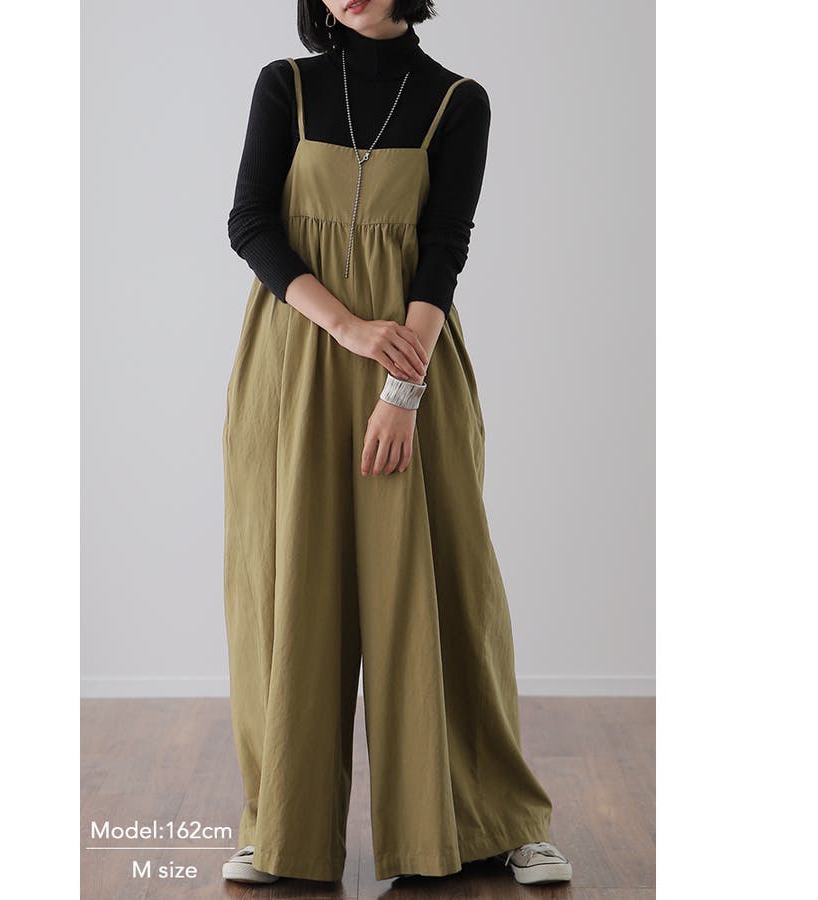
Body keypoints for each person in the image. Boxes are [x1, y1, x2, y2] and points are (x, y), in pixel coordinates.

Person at [220, 0, 572, 887]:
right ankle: (281, 827)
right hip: (294, 364)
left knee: (443, 590)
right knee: (286, 591)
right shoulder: (285, 86)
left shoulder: (458, 100)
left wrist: (402, 389)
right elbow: (250, 224)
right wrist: (347, 328)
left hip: (413, 371)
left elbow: (443, 249)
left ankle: (490, 823)